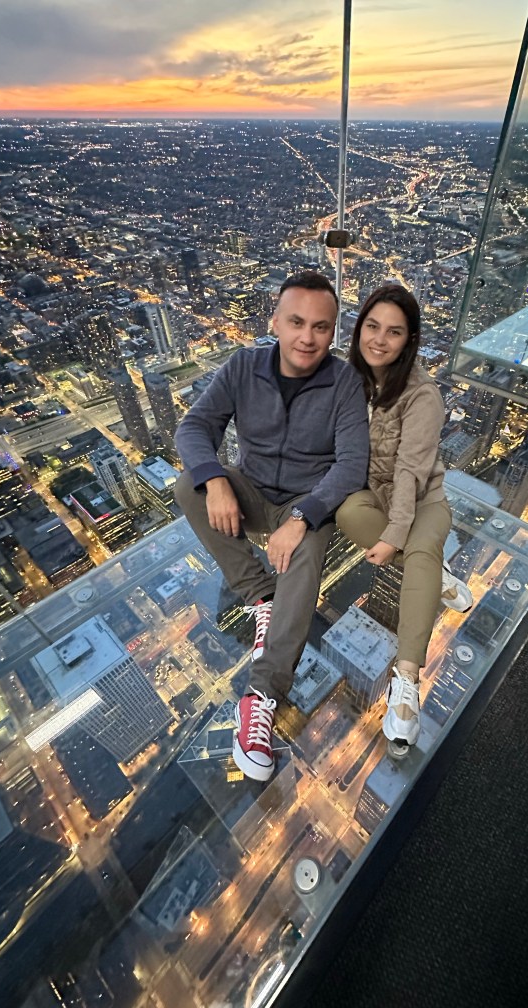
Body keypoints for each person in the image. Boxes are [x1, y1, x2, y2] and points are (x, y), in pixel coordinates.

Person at [174, 270, 369, 782]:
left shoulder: (345, 382)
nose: (308, 337)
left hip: (306, 499)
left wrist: (303, 516)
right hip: (252, 489)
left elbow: (352, 464)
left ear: (333, 332)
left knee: (311, 543)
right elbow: (193, 427)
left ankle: (261, 696)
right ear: (275, 322)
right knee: (187, 486)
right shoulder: (244, 366)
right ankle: (261, 596)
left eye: (321, 327)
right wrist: (216, 480)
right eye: (297, 322)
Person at [335, 284, 473, 750]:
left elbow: (412, 472)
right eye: (372, 326)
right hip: (374, 496)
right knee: (350, 512)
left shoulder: (422, 395)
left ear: (409, 340)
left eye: (393, 332)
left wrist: (396, 534)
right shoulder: (346, 379)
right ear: (359, 329)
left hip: (424, 500)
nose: (379, 339)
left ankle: (407, 680)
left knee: (421, 549)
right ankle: (434, 576)